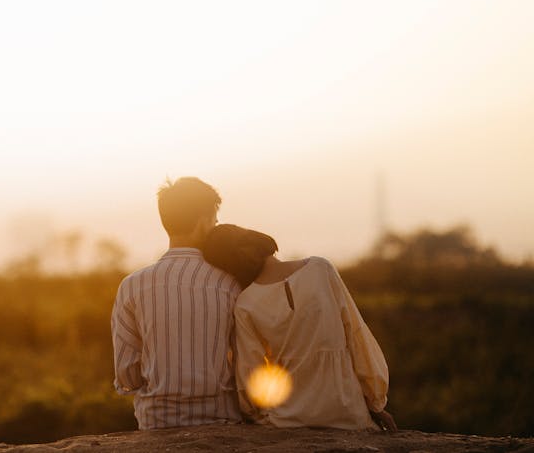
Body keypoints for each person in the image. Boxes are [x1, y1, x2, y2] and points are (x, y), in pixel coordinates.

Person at [202, 224, 397, 431]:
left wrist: (257, 414)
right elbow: (357, 337)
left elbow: (251, 374)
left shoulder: (245, 304)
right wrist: (375, 402)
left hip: (287, 419)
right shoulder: (321, 269)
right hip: (347, 412)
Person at [111, 178, 243, 429]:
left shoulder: (132, 286)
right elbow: (244, 362)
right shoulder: (230, 284)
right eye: (214, 221)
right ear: (203, 222)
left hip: (157, 422)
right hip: (222, 419)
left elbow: (126, 374)